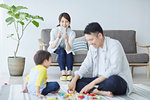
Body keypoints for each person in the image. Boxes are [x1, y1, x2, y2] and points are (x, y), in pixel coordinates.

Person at [68, 22, 133, 97]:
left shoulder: (114, 44)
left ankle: (92, 89)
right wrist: (75, 79)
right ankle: (99, 91)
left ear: (100, 35)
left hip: (118, 80)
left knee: (113, 81)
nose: (90, 43)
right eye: (88, 40)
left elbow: (115, 69)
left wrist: (91, 84)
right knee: (73, 81)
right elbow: (86, 65)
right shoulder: (92, 47)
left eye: (91, 39)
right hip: (99, 80)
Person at [49, 12, 76, 81]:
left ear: (69, 23)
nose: (64, 24)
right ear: (59, 22)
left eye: (66, 22)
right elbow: (52, 46)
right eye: (62, 21)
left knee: (68, 52)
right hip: (56, 48)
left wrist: (66, 41)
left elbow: (69, 49)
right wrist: (58, 38)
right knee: (61, 51)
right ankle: (63, 73)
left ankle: (69, 72)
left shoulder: (72, 33)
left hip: (67, 48)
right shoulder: (54, 31)